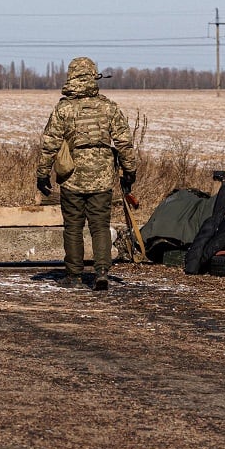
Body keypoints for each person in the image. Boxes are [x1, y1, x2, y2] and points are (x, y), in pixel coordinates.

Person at [36, 56, 137, 290]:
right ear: (94, 76)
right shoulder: (109, 107)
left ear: (71, 77)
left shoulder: (63, 108)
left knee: (73, 226)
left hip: (72, 176)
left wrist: (43, 174)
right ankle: (102, 271)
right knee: (100, 225)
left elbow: (49, 144)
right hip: (102, 176)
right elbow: (124, 142)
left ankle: (73, 275)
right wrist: (129, 171)